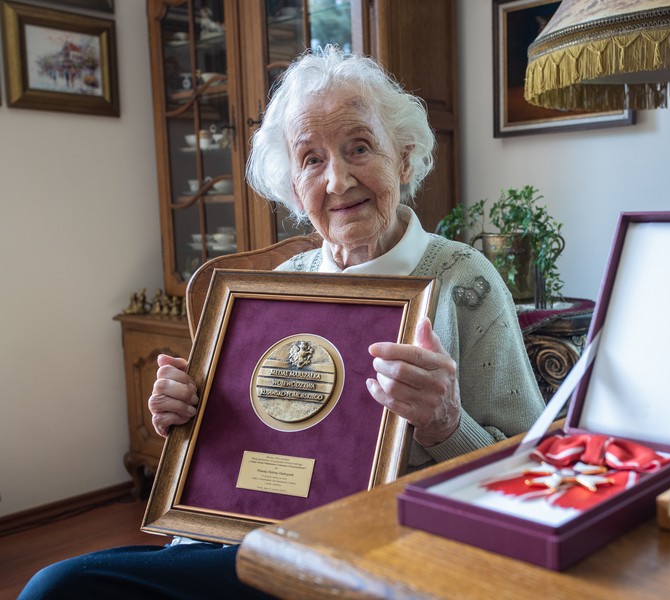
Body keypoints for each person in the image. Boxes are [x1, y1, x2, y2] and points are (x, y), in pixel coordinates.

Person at [21, 46, 544, 599]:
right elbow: (245, 453)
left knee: (63, 588)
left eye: (359, 147)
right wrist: (192, 417)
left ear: (405, 159)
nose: (338, 181)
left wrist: (444, 422)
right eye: (311, 159)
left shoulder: (465, 281)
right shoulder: (278, 286)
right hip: (251, 544)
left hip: (383, 558)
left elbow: (533, 477)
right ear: (294, 187)